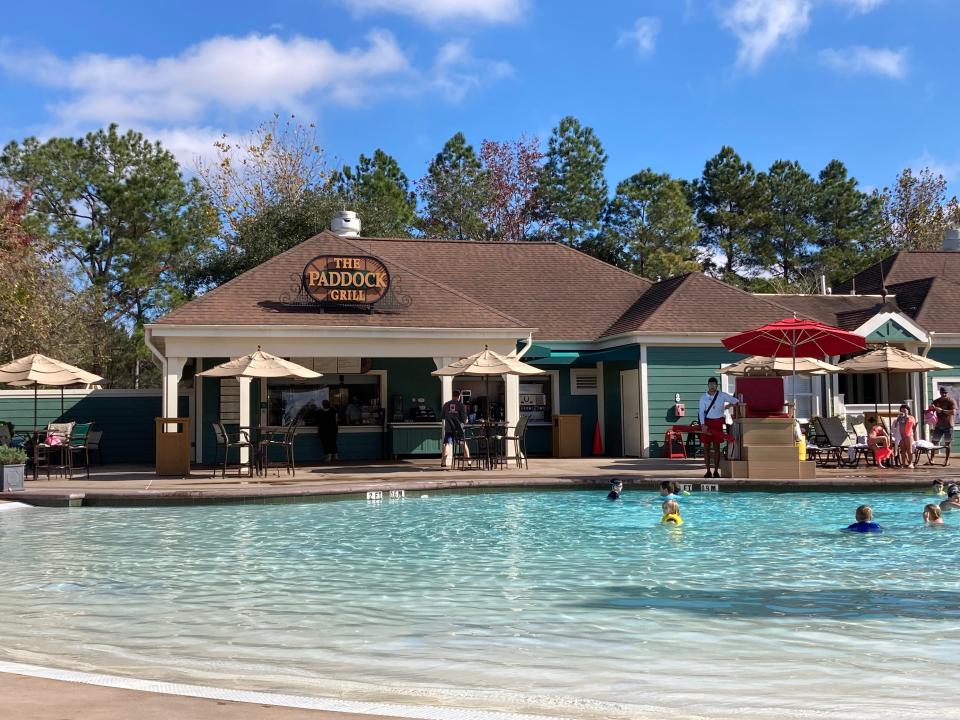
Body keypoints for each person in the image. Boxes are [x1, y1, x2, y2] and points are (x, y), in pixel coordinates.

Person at [698, 377, 739, 479]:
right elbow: (701, 412)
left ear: (717, 385)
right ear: (708, 385)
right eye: (710, 385)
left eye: (714, 385)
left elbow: (736, 401)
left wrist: (728, 405)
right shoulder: (703, 397)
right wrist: (703, 424)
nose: (712, 387)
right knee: (706, 448)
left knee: (717, 448)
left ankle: (716, 471)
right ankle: (708, 471)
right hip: (707, 423)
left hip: (717, 423)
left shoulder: (722, 395)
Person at [928, 386, 957, 466]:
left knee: (948, 443)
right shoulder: (936, 401)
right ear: (940, 392)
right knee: (934, 442)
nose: (943, 394)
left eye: (945, 393)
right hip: (938, 425)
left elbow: (953, 412)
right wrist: (931, 408)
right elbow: (930, 411)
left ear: (947, 393)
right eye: (942, 392)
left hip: (948, 425)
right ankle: (932, 459)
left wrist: (942, 410)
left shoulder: (951, 401)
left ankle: (947, 460)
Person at [440, 389, 470, 468]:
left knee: (448, 444)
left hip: (449, 429)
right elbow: (464, 420)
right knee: (463, 444)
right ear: (459, 396)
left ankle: (443, 462)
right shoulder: (461, 406)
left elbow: (443, 417)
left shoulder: (446, 405)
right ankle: (469, 461)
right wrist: (467, 420)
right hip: (458, 430)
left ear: (452, 396)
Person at [894, 404, 917, 469]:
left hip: (908, 435)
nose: (904, 410)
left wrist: (907, 416)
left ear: (908, 410)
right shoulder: (899, 418)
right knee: (903, 450)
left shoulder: (911, 417)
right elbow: (895, 426)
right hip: (901, 435)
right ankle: (903, 464)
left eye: (905, 409)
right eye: (902, 409)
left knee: (909, 449)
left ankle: (910, 463)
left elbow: (913, 425)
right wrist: (897, 420)